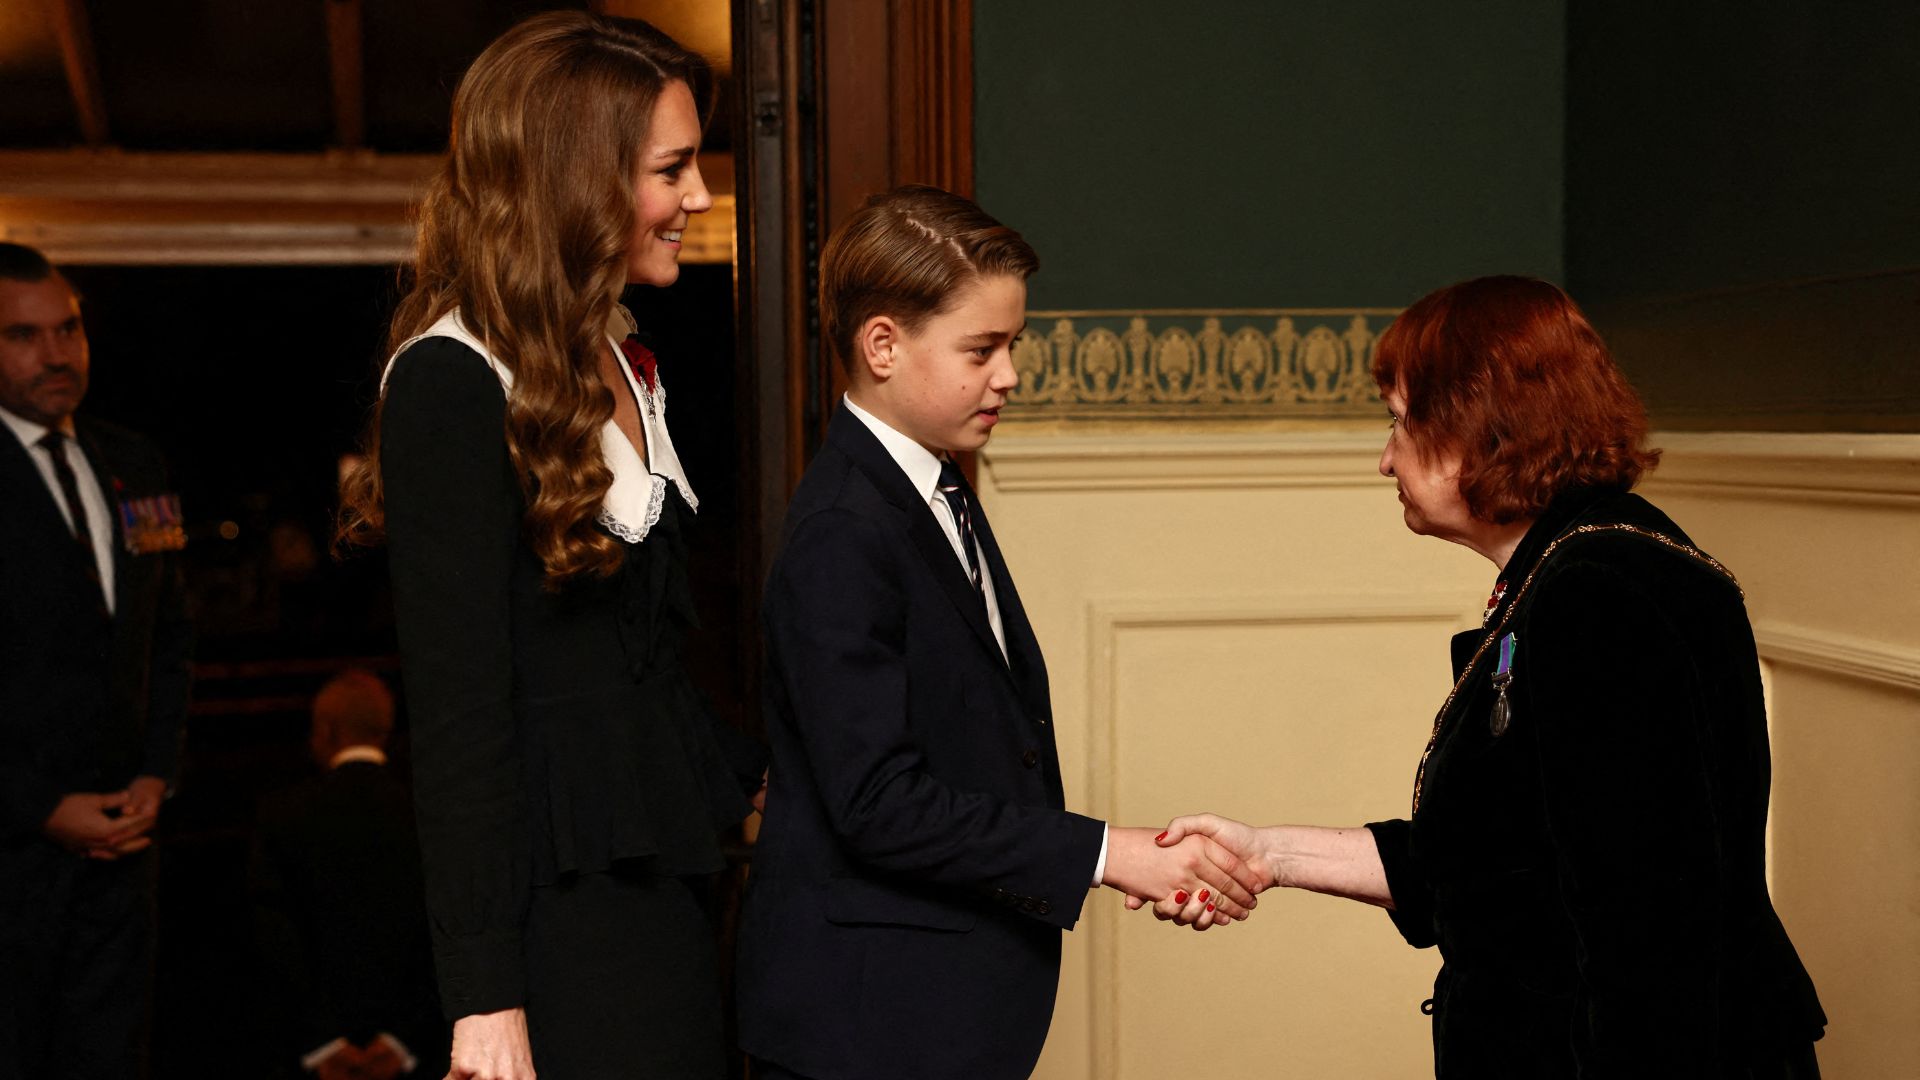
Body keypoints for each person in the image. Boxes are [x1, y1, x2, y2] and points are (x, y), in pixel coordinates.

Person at [1149, 276, 1827, 1076]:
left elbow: (1649, 927)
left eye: (1399, 422)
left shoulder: (1598, 594)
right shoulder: (1571, 568)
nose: (1384, 459)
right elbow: (1498, 861)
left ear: (1479, 423)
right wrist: (1269, 854)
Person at [735, 186, 1263, 1080]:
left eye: (1011, 345)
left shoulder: (933, 487)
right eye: (981, 350)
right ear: (882, 346)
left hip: (933, 1010)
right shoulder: (843, 530)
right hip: (868, 1024)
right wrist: (1108, 855)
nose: (1009, 374)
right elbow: (878, 804)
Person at [335, 12, 765, 1079]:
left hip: (656, 876)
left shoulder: (617, 349)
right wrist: (485, 999)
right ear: (578, 181)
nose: (700, 198)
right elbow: (461, 721)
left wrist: (769, 789)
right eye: (672, 169)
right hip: (552, 914)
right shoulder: (449, 378)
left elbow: (639, 662)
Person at [0, 241, 192, 1079]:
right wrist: (40, 808)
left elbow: (169, 636)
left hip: (125, 855)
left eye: (68, 329)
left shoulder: (134, 463)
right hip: (12, 854)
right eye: (23, 335)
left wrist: (157, 774)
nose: (56, 354)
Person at [250, 669, 447, 1080]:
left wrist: (322, 1040)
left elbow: (270, 935)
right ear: (385, 732)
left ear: (325, 730)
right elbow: (446, 930)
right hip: (417, 1052)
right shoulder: (428, 816)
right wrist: (403, 1039)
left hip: (308, 1054)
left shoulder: (282, 815)